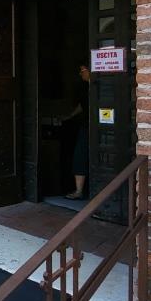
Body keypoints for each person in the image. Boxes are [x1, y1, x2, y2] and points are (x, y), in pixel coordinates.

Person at [66, 63, 90, 199]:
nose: (80, 73)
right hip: (86, 126)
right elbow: (82, 106)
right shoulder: (85, 88)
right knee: (80, 155)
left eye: (82, 70)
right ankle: (79, 191)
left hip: (102, 128)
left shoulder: (102, 87)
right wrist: (69, 116)